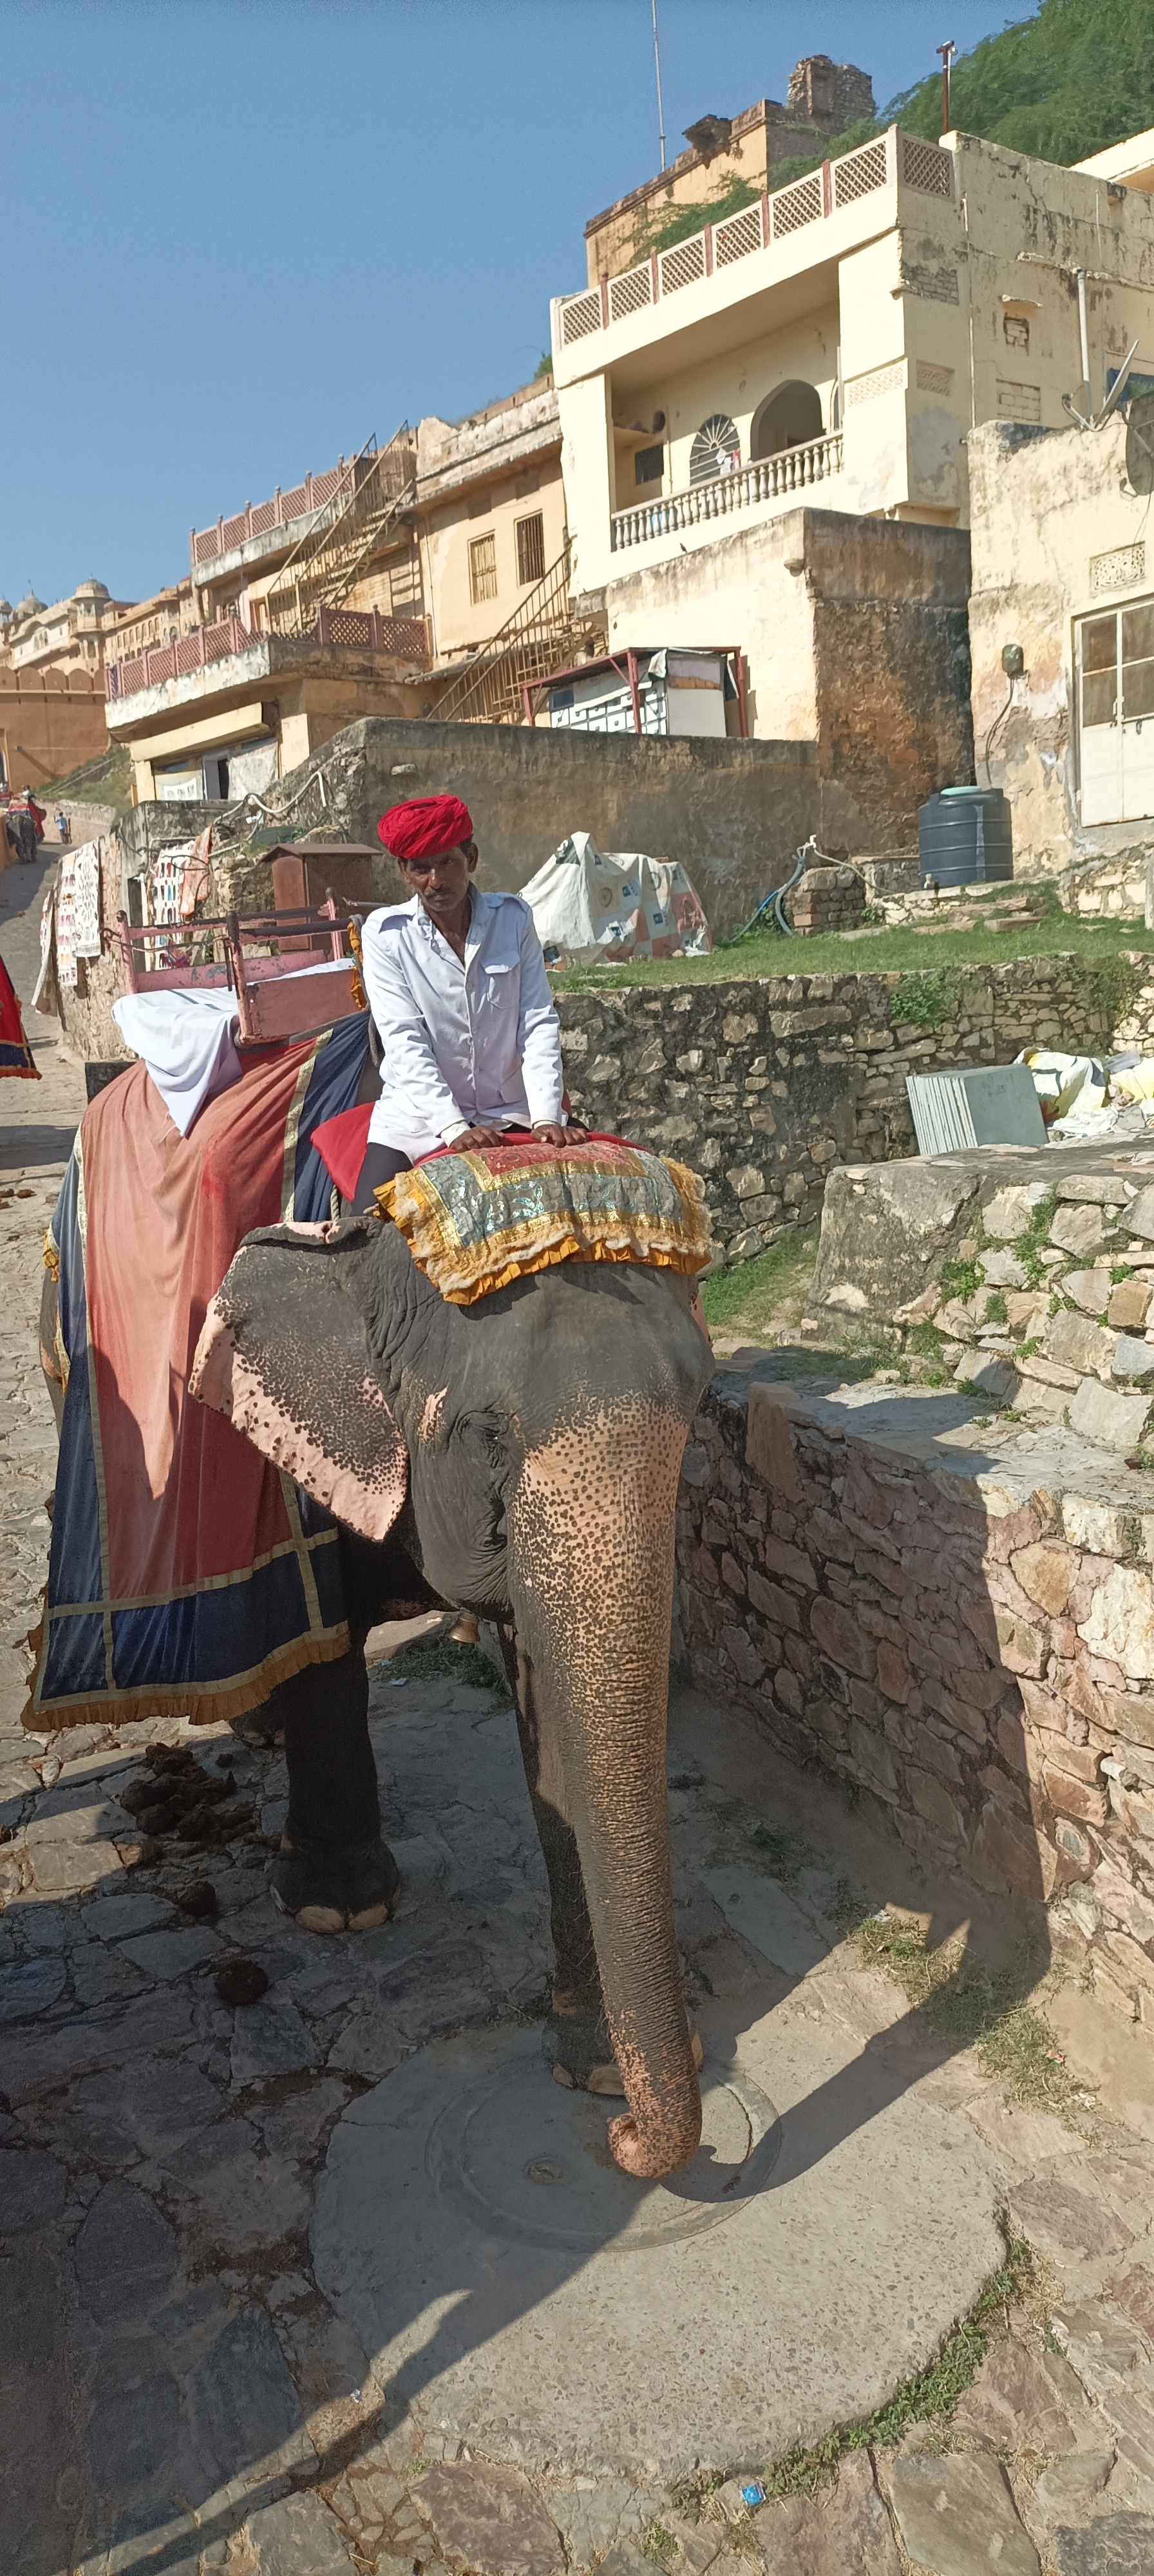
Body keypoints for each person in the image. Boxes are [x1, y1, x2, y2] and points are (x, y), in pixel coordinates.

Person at [354, 793, 584, 1215]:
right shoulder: (386, 937)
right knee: (363, 1232)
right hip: (417, 1122)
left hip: (513, 1111)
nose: (436, 881)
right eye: (421, 868)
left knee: (598, 1203)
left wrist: (548, 1117)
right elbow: (405, 1042)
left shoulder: (514, 919)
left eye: (446, 863)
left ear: (471, 857)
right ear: (404, 872)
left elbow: (536, 1021)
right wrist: (453, 1127)